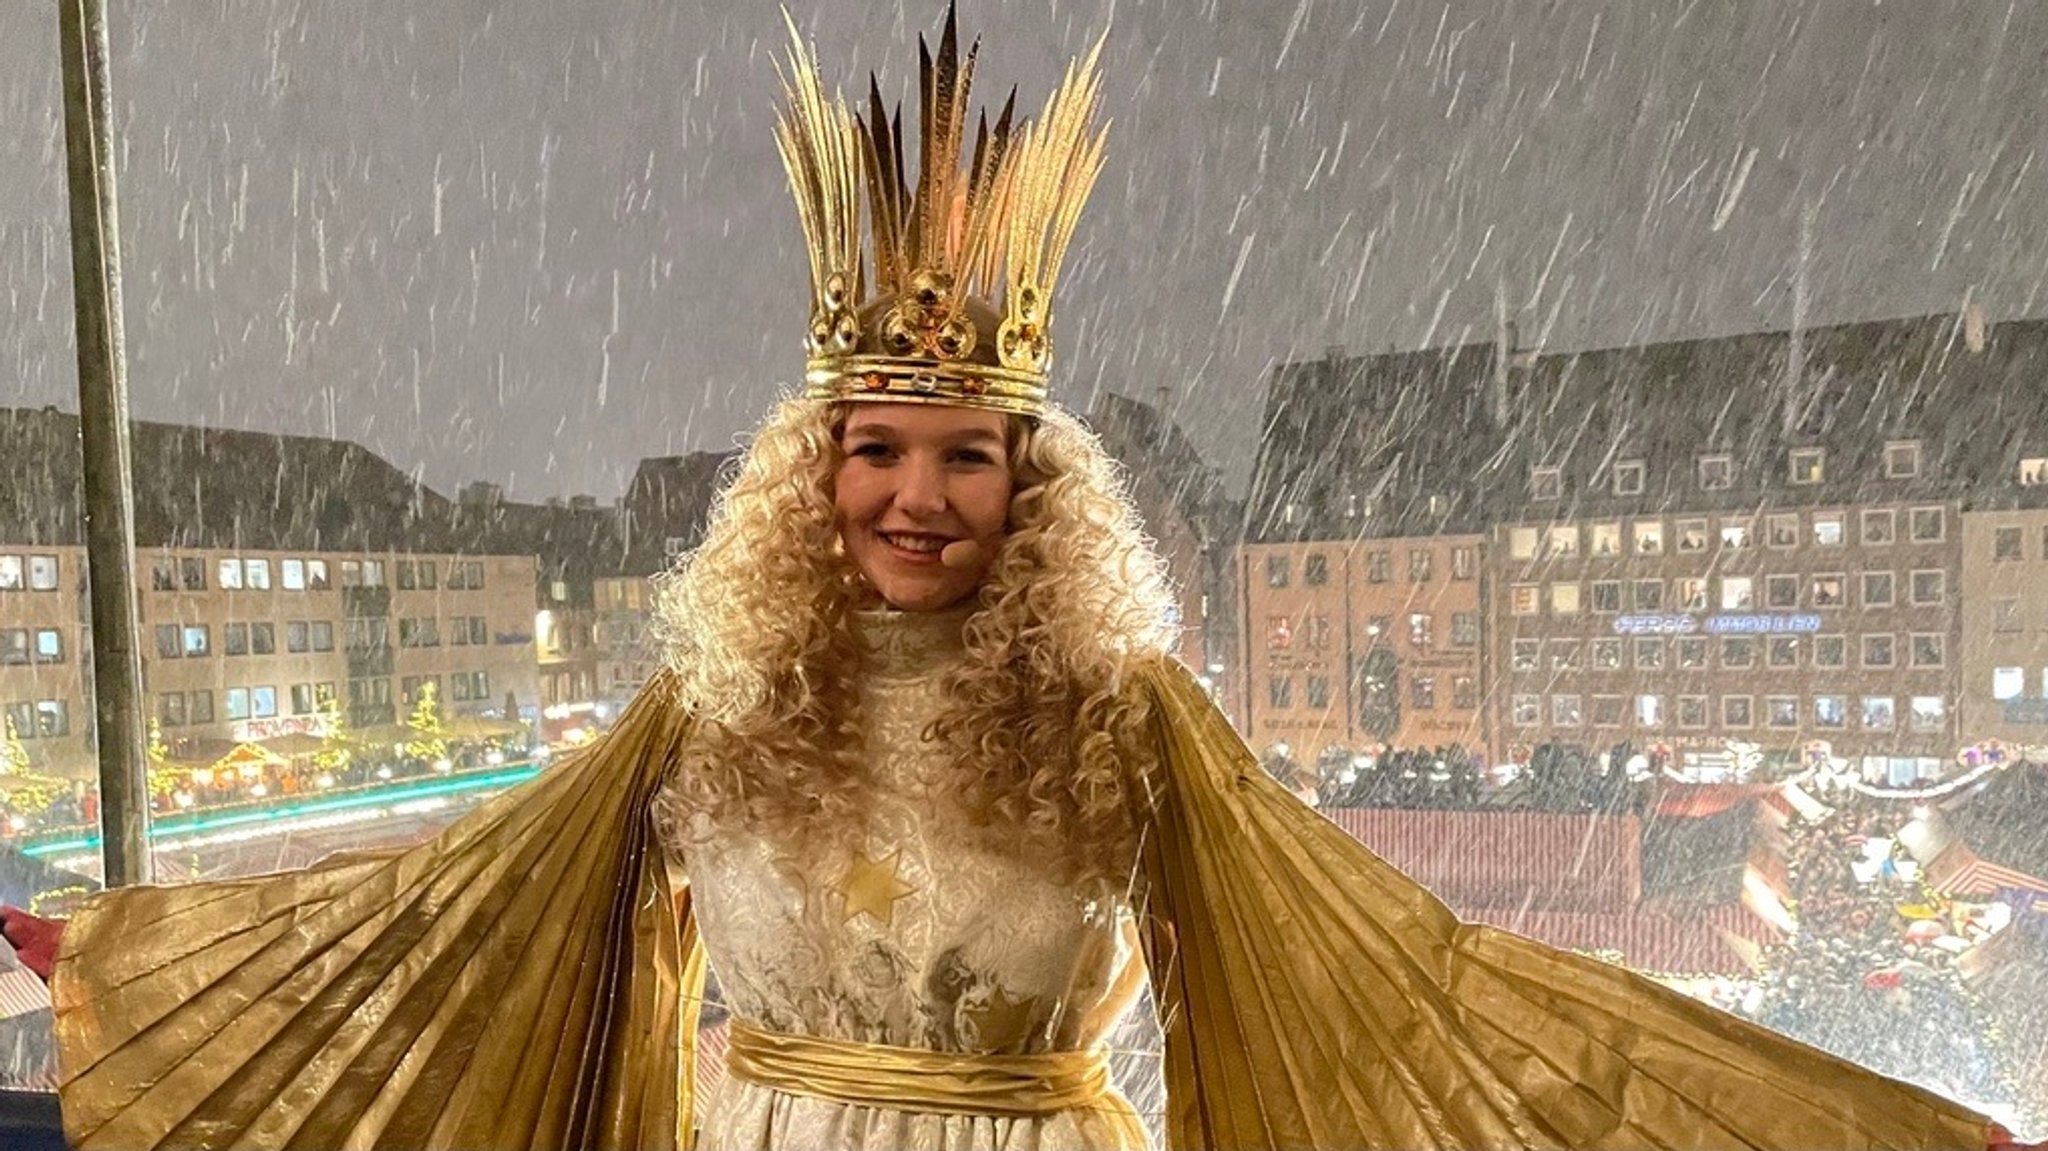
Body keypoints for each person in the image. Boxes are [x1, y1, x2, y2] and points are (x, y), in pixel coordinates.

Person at [1, 6, 2038, 1149]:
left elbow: (1399, 970)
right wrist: (119, 960)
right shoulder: (707, 715)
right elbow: (458, 908)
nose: (913, 498)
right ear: (808, 480)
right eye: (871, 452)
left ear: (1027, 484)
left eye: (960, 458)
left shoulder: (1126, 715)